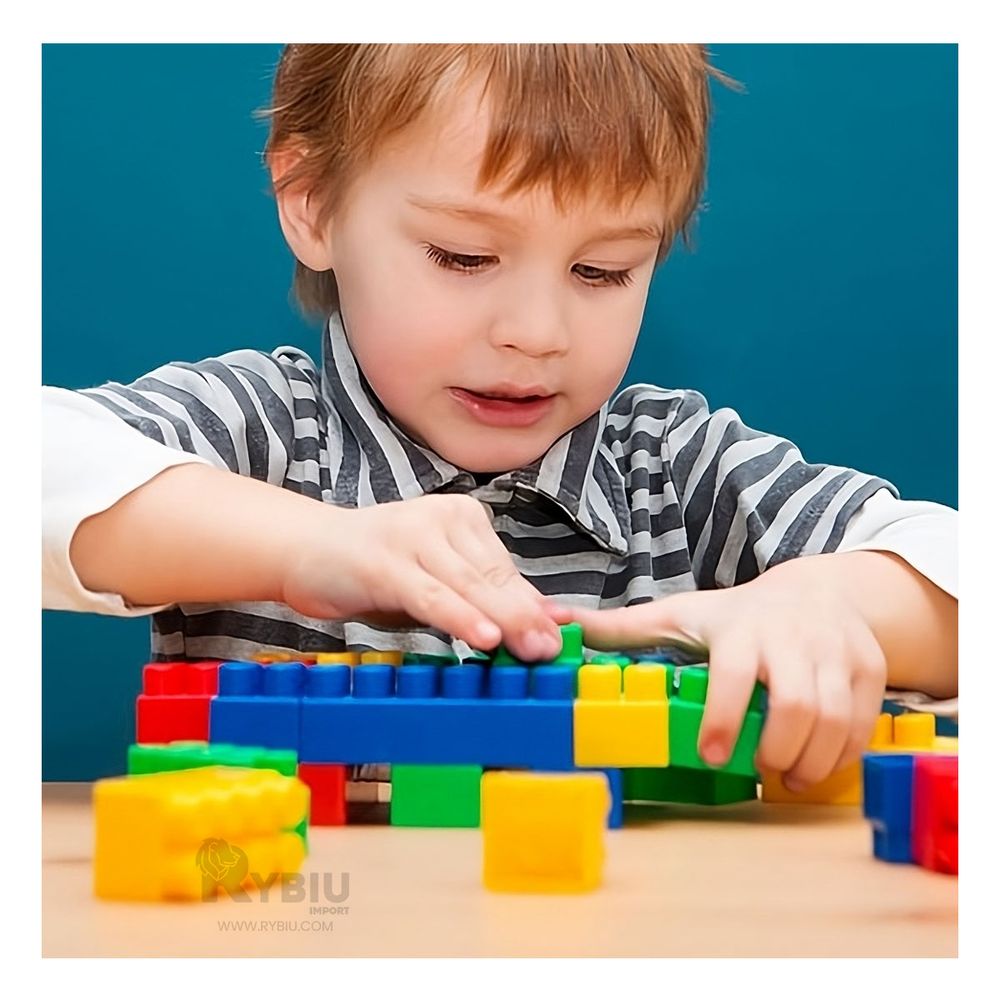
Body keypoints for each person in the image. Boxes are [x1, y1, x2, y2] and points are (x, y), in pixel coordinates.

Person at [42, 44, 957, 792]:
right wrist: (305, 545)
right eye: (464, 256)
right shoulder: (265, 433)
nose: (537, 332)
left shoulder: (675, 469)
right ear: (312, 202)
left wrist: (824, 603)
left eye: (602, 271)